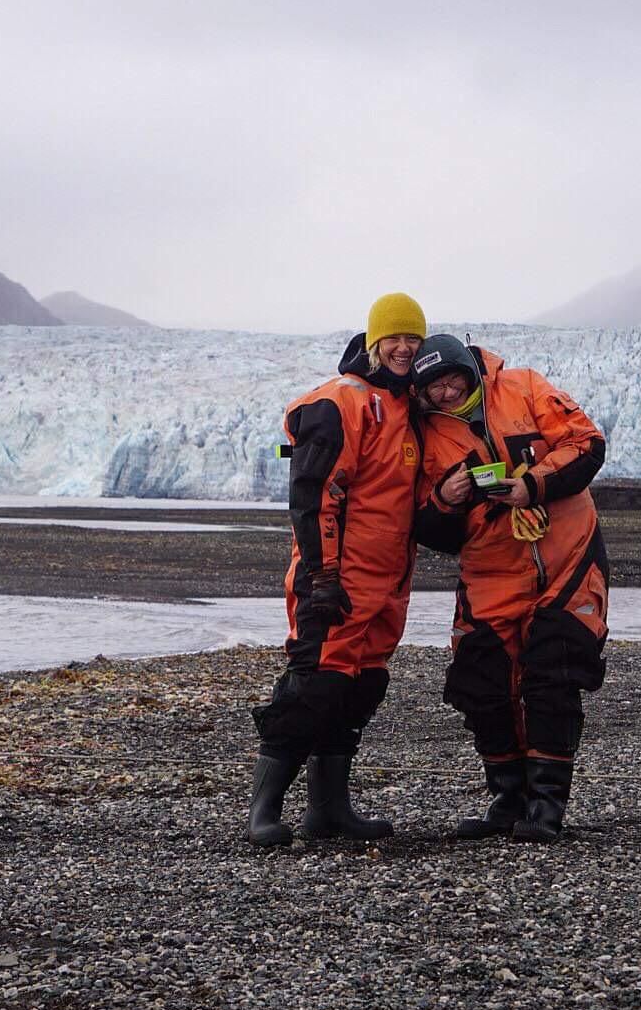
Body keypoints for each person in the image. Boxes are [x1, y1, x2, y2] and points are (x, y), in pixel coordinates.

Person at [410, 333, 608, 842]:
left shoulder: (522, 388)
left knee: (554, 671)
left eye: (451, 378)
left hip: (567, 554)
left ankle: (546, 807)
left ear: (468, 368)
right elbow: (432, 530)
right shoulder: (428, 435)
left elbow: (586, 443)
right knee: (482, 681)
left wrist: (532, 484)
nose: (447, 392)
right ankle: (507, 798)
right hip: (491, 571)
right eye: (433, 388)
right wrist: (445, 497)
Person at [247, 292, 427, 846]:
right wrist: (321, 575)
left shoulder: (407, 404)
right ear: (373, 343)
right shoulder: (343, 401)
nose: (403, 348)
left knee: (361, 686)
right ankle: (264, 810)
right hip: (337, 577)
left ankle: (327, 809)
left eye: (412, 338)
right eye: (392, 338)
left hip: (387, 580)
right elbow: (315, 493)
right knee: (314, 685)